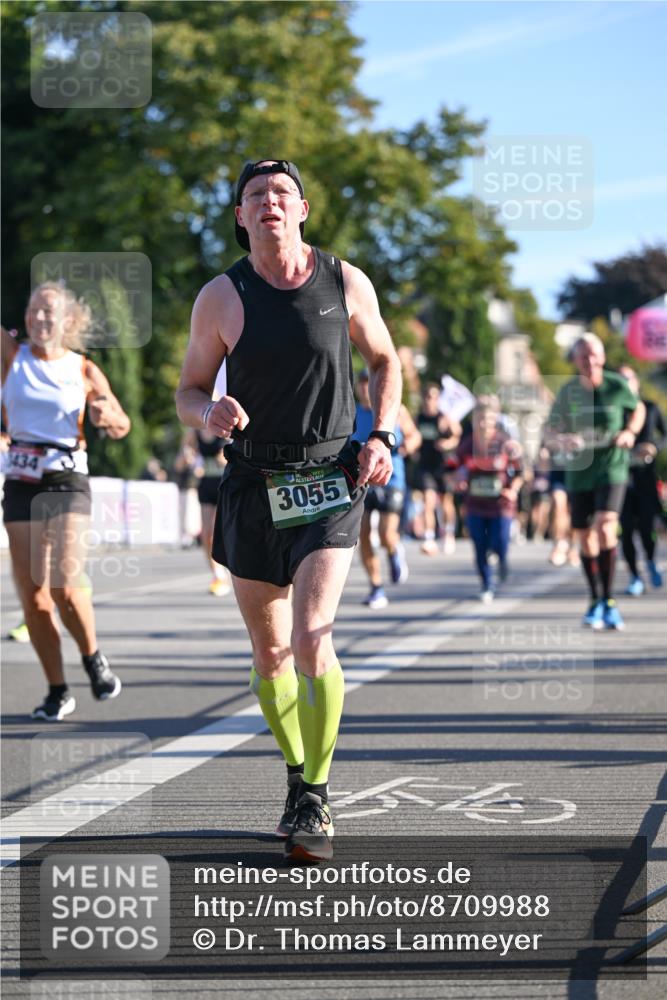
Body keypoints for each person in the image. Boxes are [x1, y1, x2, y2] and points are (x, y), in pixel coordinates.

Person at [175, 158, 401, 862]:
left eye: (280, 193)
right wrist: (208, 410)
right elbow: (187, 389)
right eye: (253, 196)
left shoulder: (344, 280)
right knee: (270, 653)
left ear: (301, 208)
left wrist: (383, 433)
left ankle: (316, 795)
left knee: (310, 637)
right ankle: (296, 772)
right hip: (251, 482)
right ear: (240, 217)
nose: (268, 202)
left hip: (330, 480)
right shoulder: (222, 296)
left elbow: (384, 360)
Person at [1, 284, 130, 720]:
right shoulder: (11, 357)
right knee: (34, 598)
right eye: (33, 309)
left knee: (64, 587)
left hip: (67, 481)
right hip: (20, 482)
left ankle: (92, 657)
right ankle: (57, 690)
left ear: (68, 321)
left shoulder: (83, 369)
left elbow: (120, 423)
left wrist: (105, 415)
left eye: (48, 312)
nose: (39, 319)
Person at [546, 334, 645, 630]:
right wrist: (561, 438)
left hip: (612, 469)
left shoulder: (617, 386)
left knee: (605, 524)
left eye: (593, 355)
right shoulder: (568, 392)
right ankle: (596, 599)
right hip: (579, 473)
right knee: (585, 536)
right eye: (583, 356)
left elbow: (637, 409)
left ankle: (610, 601)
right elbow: (550, 431)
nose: (589, 361)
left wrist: (629, 431)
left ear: (601, 358)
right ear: (575, 361)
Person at [352, 368, 421, 609]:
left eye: (367, 383)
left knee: (385, 533)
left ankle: (393, 551)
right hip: (361, 480)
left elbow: (414, 436)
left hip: (392, 480)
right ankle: (376, 587)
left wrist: (405, 447)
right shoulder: (351, 412)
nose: (363, 388)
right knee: (362, 534)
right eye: (360, 384)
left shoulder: (395, 410)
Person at [455, 402, 523, 602]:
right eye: (480, 419)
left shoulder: (505, 443)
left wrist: (513, 489)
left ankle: (502, 560)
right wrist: (458, 481)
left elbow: (521, 471)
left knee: (500, 540)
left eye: (489, 419)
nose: (484, 424)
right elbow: (452, 467)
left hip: (501, 504)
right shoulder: (467, 444)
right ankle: (487, 584)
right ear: (474, 421)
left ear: (495, 421)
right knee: (479, 545)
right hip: (475, 503)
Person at [617, 365, 665, 595]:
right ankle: (634, 576)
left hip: (645, 477)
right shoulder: (614, 411)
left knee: (647, 528)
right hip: (620, 477)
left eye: (629, 379)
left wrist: (653, 447)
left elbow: (664, 436)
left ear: (636, 382)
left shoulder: (651, 407)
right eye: (620, 380)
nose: (625, 383)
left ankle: (651, 562)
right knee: (625, 529)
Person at [180, 428, 232, 596]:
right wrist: (188, 457)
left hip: (224, 484)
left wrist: (223, 459)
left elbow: (236, 456)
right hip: (206, 485)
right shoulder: (193, 433)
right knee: (206, 536)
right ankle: (218, 576)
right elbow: (180, 462)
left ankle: (232, 571)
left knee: (221, 533)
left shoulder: (223, 426)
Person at [415, 382, 461, 555]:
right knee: (428, 501)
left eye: (434, 397)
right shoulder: (418, 418)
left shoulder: (444, 418)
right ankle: (429, 538)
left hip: (443, 466)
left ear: (438, 399)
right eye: (427, 397)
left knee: (446, 502)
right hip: (425, 464)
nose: (430, 401)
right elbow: (412, 435)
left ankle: (448, 533)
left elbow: (457, 436)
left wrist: (447, 443)